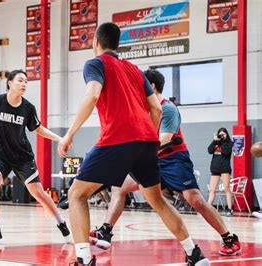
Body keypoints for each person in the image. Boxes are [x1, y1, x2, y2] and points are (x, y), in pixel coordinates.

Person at [57, 22, 209, 266]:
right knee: (157, 200)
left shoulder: (95, 63)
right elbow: (156, 109)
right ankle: (194, 253)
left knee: (76, 194)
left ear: (96, 42)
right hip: (148, 141)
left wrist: (69, 133)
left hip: (117, 138)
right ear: (117, 44)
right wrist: (146, 132)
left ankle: (83, 259)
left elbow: (92, 94)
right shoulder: (135, 69)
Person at [89, 69, 241, 256]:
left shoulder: (167, 108)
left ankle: (229, 238)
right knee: (119, 188)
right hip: (152, 159)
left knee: (195, 199)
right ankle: (106, 231)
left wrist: (132, 153)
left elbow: (165, 139)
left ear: (151, 86)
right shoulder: (143, 108)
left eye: (141, 85)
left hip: (174, 160)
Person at [0, 70, 71, 245]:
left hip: (23, 157)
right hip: (0, 155)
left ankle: (62, 223)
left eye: (26, 82)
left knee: (39, 194)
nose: (24, 84)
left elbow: (39, 128)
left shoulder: (28, 108)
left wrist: (61, 139)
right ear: (10, 83)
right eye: (20, 80)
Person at [207, 127, 234, 216]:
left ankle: (230, 209)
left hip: (224, 169)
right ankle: (207, 210)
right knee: (212, 190)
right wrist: (215, 141)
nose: (221, 136)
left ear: (226, 134)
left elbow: (226, 152)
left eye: (223, 134)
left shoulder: (229, 143)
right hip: (215, 169)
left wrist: (223, 141)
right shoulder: (216, 142)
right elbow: (210, 151)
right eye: (220, 134)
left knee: (227, 189)